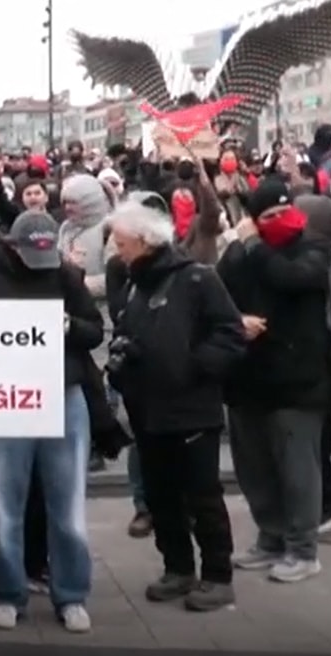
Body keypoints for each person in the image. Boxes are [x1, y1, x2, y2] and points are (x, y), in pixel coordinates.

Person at [104, 202, 245, 611]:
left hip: (191, 409)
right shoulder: (136, 284)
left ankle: (217, 575)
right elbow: (127, 332)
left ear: (146, 241)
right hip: (148, 410)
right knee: (162, 496)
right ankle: (178, 567)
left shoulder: (196, 279)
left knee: (202, 495)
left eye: (123, 243)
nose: (119, 251)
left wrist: (194, 366)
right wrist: (122, 362)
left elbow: (230, 333)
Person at [0, 211, 102, 633]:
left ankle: (72, 593)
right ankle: (8, 593)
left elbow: (94, 331)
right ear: (13, 247)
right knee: (6, 503)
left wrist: (67, 326)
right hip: (9, 401)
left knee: (68, 504)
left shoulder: (66, 276)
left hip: (63, 396)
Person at [216, 178, 331, 583]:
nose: (281, 221)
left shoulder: (315, 249)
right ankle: (271, 536)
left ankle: (303, 548)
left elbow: (293, 277)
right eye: (269, 216)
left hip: (297, 380)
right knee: (255, 467)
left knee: (298, 469)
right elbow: (219, 295)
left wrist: (255, 245)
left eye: (285, 212)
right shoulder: (239, 253)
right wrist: (236, 322)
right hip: (249, 377)